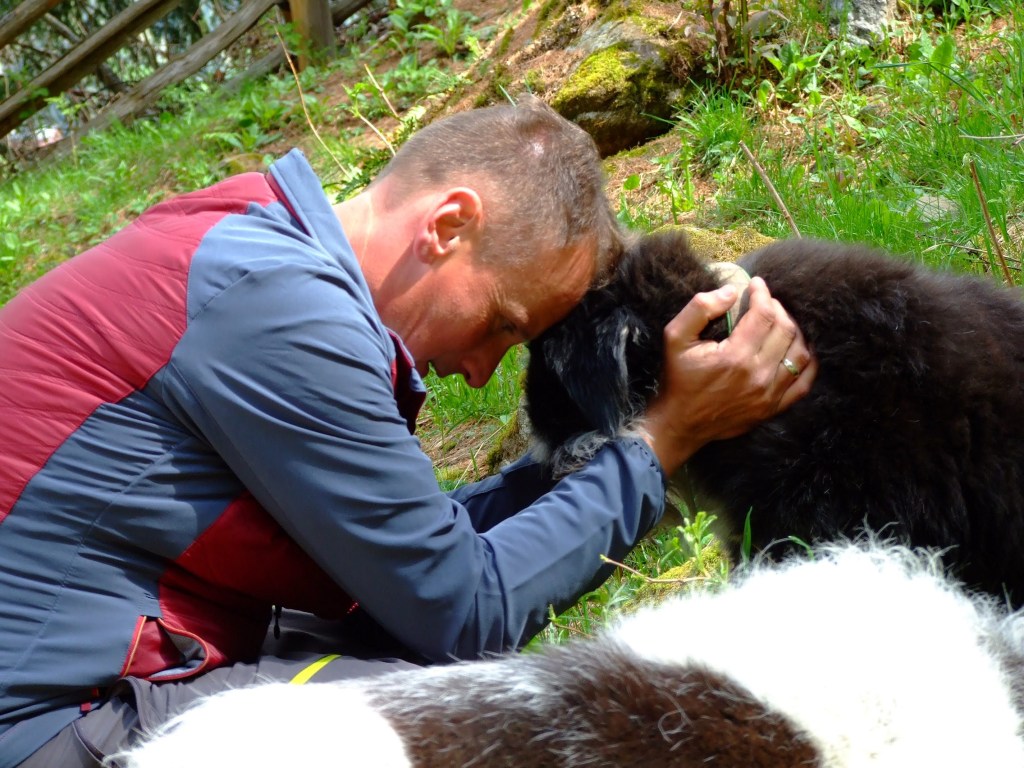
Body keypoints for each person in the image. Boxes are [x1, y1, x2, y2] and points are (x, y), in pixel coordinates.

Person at [0, 96, 813, 767]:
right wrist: (661, 443)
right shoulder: (280, 313)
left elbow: (410, 557)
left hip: (87, 691)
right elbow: (462, 611)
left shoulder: (257, 244)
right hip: (45, 727)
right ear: (449, 225)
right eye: (502, 322)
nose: (482, 371)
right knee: (475, 724)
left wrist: (586, 463)